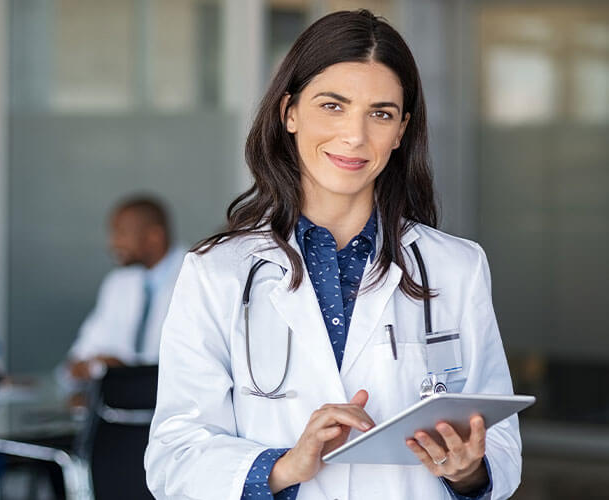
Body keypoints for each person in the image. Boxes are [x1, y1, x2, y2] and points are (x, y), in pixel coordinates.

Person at [145, 10, 520, 500]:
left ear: (401, 130)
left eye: (380, 113)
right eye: (333, 105)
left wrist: (468, 469)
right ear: (290, 113)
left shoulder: (458, 268)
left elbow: (502, 447)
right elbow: (174, 457)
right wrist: (282, 466)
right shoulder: (217, 273)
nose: (355, 136)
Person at [64, 196, 186, 380]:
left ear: (154, 237)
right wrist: (88, 365)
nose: (113, 244)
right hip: (119, 402)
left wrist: (127, 370)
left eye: (122, 234)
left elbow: (189, 365)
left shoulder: (196, 278)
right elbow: (82, 354)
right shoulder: (118, 283)